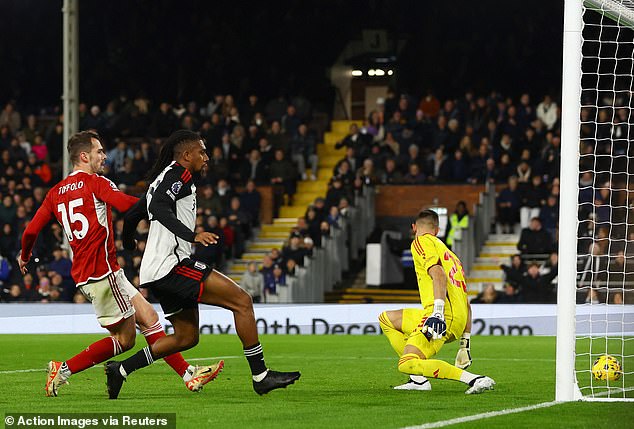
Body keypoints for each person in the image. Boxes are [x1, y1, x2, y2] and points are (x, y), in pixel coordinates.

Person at [17, 131, 220, 397]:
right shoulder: (95, 183)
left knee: (150, 318)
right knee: (125, 341)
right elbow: (126, 204)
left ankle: (189, 375)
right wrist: (160, 206)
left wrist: (25, 255)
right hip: (102, 272)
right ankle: (62, 368)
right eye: (99, 151)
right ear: (84, 156)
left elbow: (31, 231)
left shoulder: (54, 193)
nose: (104, 156)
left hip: (93, 272)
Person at [108, 129, 300, 399]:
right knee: (242, 301)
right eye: (202, 152)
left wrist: (128, 242)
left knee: (187, 337)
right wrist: (192, 235)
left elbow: (133, 215)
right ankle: (261, 376)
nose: (206, 157)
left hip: (157, 269)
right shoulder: (178, 175)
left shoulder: (161, 181)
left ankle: (121, 370)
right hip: (171, 265)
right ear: (187, 155)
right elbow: (161, 208)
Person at [378, 209, 495, 394]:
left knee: (406, 364)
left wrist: (437, 313)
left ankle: (475, 379)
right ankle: (418, 381)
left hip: (439, 316)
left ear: (414, 227)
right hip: (456, 320)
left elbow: (438, 273)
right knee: (386, 319)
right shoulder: (452, 257)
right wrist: (465, 344)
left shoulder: (420, 242)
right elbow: (466, 301)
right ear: (438, 230)